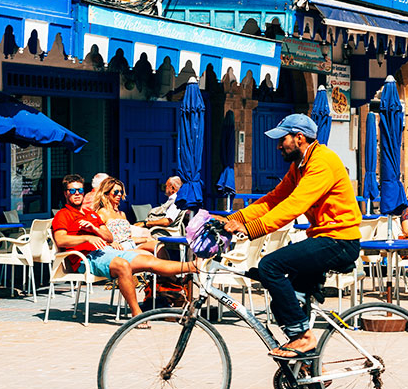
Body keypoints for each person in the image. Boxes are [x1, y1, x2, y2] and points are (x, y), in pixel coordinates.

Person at [220, 114, 360, 359]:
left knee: (270, 266)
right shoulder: (299, 167)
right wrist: (236, 218)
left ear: (299, 138)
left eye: (281, 139)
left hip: (339, 241)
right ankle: (311, 371)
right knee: (282, 304)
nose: (278, 146)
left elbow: (294, 205)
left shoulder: (322, 162)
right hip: (323, 239)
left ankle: (304, 338)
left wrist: (252, 229)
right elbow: (274, 200)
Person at [52, 174, 199, 318]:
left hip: (106, 251)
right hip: (86, 259)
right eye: (72, 191)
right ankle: (137, 313)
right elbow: (60, 240)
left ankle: (193, 266)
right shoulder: (63, 215)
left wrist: (95, 229)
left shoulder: (91, 214)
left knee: (148, 260)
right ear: (65, 193)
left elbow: (109, 237)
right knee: (123, 265)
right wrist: (87, 238)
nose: (77, 194)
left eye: (80, 190)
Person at [94, 177, 157, 253]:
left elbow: (127, 238)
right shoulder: (102, 213)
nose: (119, 194)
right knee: (146, 254)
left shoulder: (122, 214)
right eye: (116, 192)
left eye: (121, 192)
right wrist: (110, 242)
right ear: (107, 193)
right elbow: (97, 235)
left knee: (157, 245)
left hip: (130, 245)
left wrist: (146, 239)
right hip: (117, 249)